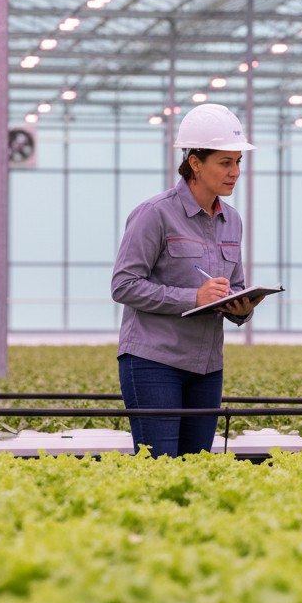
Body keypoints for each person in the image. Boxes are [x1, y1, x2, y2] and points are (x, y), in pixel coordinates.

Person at [111, 103, 257, 457]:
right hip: (153, 362)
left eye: (238, 161)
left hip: (207, 366)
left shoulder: (232, 220)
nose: (235, 172)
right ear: (195, 162)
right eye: (225, 162)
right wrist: (194, 298)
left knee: (197, 468)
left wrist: (240, 307)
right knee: (159, 469)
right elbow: (124, 285)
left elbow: (233, 285)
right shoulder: (154, 214)